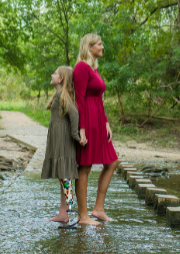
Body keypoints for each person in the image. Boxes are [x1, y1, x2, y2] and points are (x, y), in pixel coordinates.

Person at [73, 33, 120, 226]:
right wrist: (82, 129)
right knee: (85, 166)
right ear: (89, 47)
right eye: (99, 44)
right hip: (88, 120)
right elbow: (79, 99)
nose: (102, 47)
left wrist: (106, 122)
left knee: (112, 162)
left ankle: (98, 209)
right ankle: (84, 217)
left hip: (99, 120)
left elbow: (98, 98)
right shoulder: (81, 67)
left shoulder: (94, 68)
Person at [42, 65, 84, 223]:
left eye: (55, 73)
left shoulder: (62, 95)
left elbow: (74, 113)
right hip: (58, 140)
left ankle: (69, 208)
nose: (52, 75)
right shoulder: (59, 94)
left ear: (61, 79)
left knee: (65, 176)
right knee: (62, 175)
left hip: (63, 141)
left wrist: (75, 135)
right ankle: (63, 212)